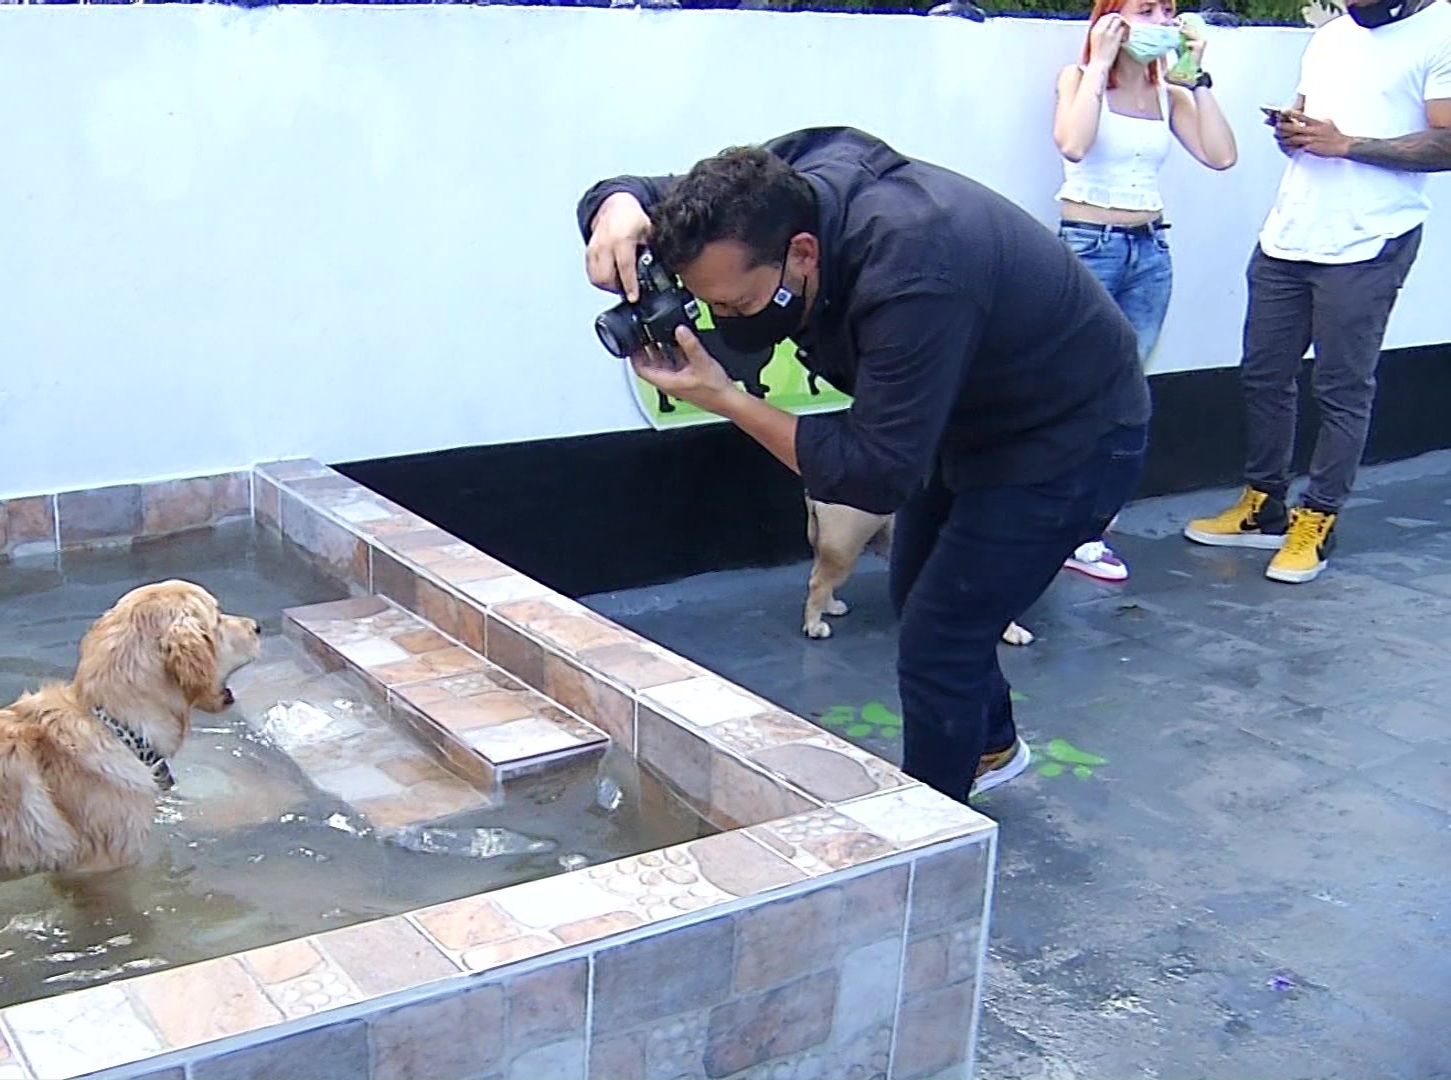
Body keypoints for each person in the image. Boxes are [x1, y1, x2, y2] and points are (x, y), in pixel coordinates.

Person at [575, 128, 1150, 804]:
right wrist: (615, 204)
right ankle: (989, 745)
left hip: (1071, 435)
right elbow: (652, 200)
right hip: (970, 418)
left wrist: (725, 398)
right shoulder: (767, 195)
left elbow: (874, 474)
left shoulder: (915, 272)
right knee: (919, 591)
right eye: (708, 303)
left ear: (802, 253)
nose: (721, 319)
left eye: (736, 304)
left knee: (941, 636)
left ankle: (931, 841)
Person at [1185, 0, 1451, 582]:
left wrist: (1347, 145)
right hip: (1292, 229)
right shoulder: (1331, 36)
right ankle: (1264, 505)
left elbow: (1448, 142)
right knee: (1263, 373)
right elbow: (1311, 124)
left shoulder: (1441, 29)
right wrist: (1294, 132)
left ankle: (1319, 516)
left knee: (1341, 386)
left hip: (1370, 237)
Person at [1052, 0, 1238, 583]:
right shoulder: (1078, 80)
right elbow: (1072, 144)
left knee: (1125, 397)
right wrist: (1100, 61)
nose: (1160, 19)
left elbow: (1222, 155)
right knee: (1071, 391)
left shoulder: (1167, 94)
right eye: (1146, 8)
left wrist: (1196, 75)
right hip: (1089, 245)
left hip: (1150, 249)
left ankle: (1089, 530)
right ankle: (1048, 519)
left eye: (1168, 9)